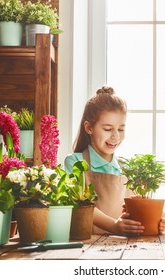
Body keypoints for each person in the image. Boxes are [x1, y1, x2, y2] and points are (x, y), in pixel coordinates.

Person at [65, 86, 147, 235]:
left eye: (121, 129)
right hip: (86, 246)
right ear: (89, 127)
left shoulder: (126, 167)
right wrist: (114, 226)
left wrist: (153, 221)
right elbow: (80, 205)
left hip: (122, 247)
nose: (116, 136)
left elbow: (136, 210)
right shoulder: (75, 162)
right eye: (108, 129)